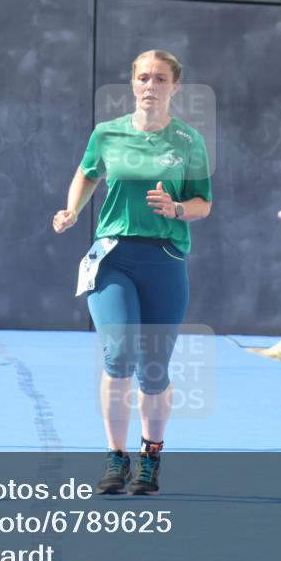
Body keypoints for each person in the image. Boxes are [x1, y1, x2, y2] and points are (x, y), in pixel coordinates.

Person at [52, 50, 213, 495]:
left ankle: (150, 457)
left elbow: (204, 203)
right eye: (143, 77)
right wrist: (71, 209)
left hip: (165, 259)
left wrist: (177, 208)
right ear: (133, 83)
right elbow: (86, 175)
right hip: (114, 257)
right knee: (119, 355)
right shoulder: (107, 134)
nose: (150, 85)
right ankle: (114, 457)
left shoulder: (188, 141)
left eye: (159, 79)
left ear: (174, 87)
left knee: (155, 368)